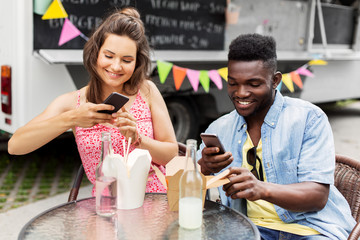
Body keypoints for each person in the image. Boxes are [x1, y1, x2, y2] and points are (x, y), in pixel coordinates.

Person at [197, 33, 356, 239]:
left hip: (311, 229)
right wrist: (204, 167)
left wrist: (261, 188)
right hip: (248, 229)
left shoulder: (308, 119)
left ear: (275, 80)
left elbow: (317, 196)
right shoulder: (220, 128)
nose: (241, 93)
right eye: (233, 83)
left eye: (253, 84)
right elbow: (189, 186)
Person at [8, 7, 178, 195]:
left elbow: (171, 154)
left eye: (127, 60)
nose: (116, 66)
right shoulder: (73, 103)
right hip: (105, 207)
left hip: (154, 198)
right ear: (95, 53)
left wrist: (138, 139)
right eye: (109, 56)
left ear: (137, 63)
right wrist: (72, 118)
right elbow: (15, 145)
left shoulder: (146, 90)